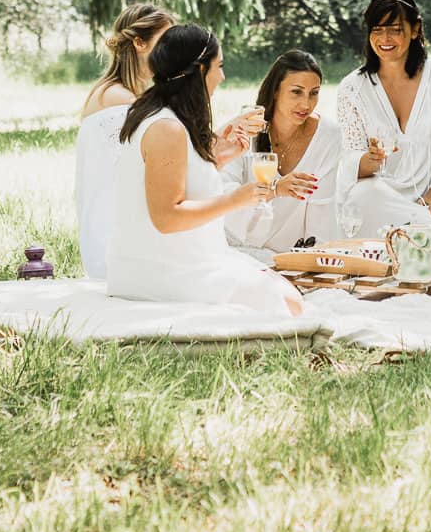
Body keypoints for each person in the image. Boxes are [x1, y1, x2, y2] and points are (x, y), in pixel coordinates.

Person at [110, 24, 303, 315]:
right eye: (219, 66)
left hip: (187, 261)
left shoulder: (163, 115)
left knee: (286, 289)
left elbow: (179, 175)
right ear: (200, 71)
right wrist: (237, 199)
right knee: (290, 306)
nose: (223, 76)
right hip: (162, 273)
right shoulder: (166, 128)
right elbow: (166, 218)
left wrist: (218, 157)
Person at [74, 3, 263, 276]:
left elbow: (168, 170)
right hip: (116, 238)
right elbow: (157, 167)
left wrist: (220, 147)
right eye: (164, 41)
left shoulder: (126, 97)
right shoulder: (122, 102)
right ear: (139, 43)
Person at [337, 0, 431, 236]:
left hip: (426, 200)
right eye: (377, 29)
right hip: (374, 198)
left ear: (415, 29)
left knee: (430, 228)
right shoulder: (352, 88)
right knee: (365, 194)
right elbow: (350, 158)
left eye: (395, 29)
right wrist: (369, 161)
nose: (385, 38)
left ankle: (422, 228)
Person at [225, 50, 339, 253]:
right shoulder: (246, 127)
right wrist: (275, 189)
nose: (306, 104)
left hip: (291, 256)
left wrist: (317, 261)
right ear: (275, 91)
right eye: (296, 92)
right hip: (235, 247)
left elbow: (322, 212)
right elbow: (223, 195)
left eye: (314, 93)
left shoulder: (328, 135)